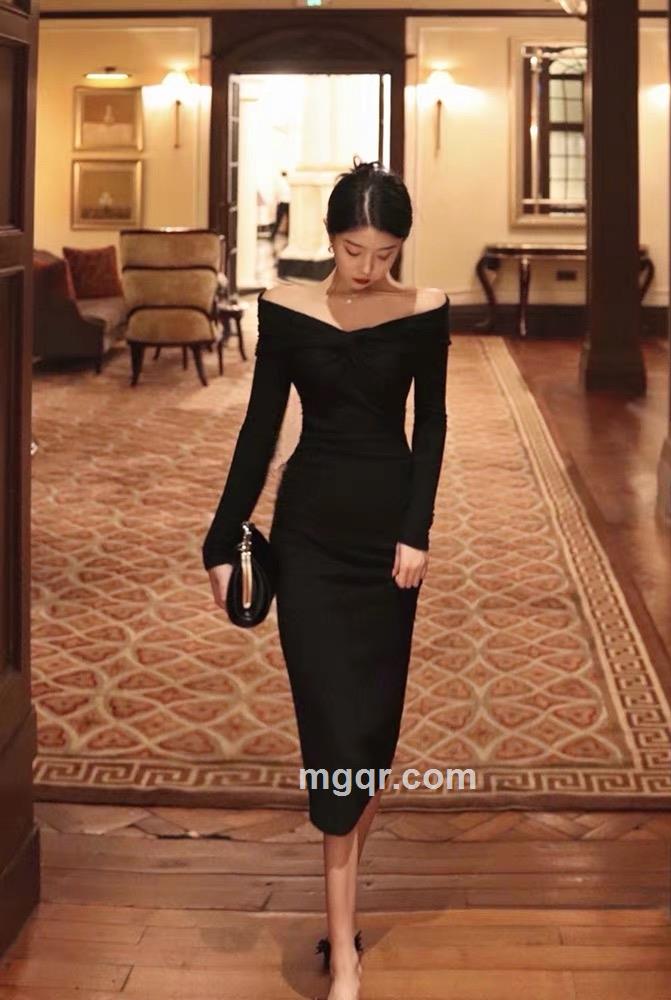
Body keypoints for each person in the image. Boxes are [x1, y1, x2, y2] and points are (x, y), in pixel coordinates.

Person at [202, 156, 450, 1000]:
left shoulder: (425, 312)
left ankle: (343, 911)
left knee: (370, 739)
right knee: (332, 737)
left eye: (385, 253)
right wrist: (221, 536)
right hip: (308, 540)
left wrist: (416, 532)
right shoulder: (287, 309)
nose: (368, 268)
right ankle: (343, 954)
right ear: (330, 238)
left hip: (387, 549)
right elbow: (259, 428)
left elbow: (433, 426)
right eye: (353, 250)